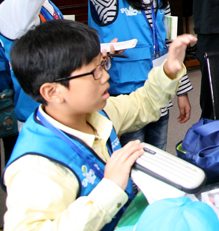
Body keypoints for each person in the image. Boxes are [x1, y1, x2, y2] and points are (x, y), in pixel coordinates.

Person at [4, 19, 195, 231]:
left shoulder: (97, 113)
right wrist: (110, 189)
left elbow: (143, 104)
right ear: (52, 92)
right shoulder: (36, 165)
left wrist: (168, 70)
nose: (105, 76)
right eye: (94, 71)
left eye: (103, 64)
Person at [88, 0, 193, 149]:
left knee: (158, 157)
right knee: (130, 163)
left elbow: (170, 42)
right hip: (123, 96)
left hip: (159, 90)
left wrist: (182, 90)